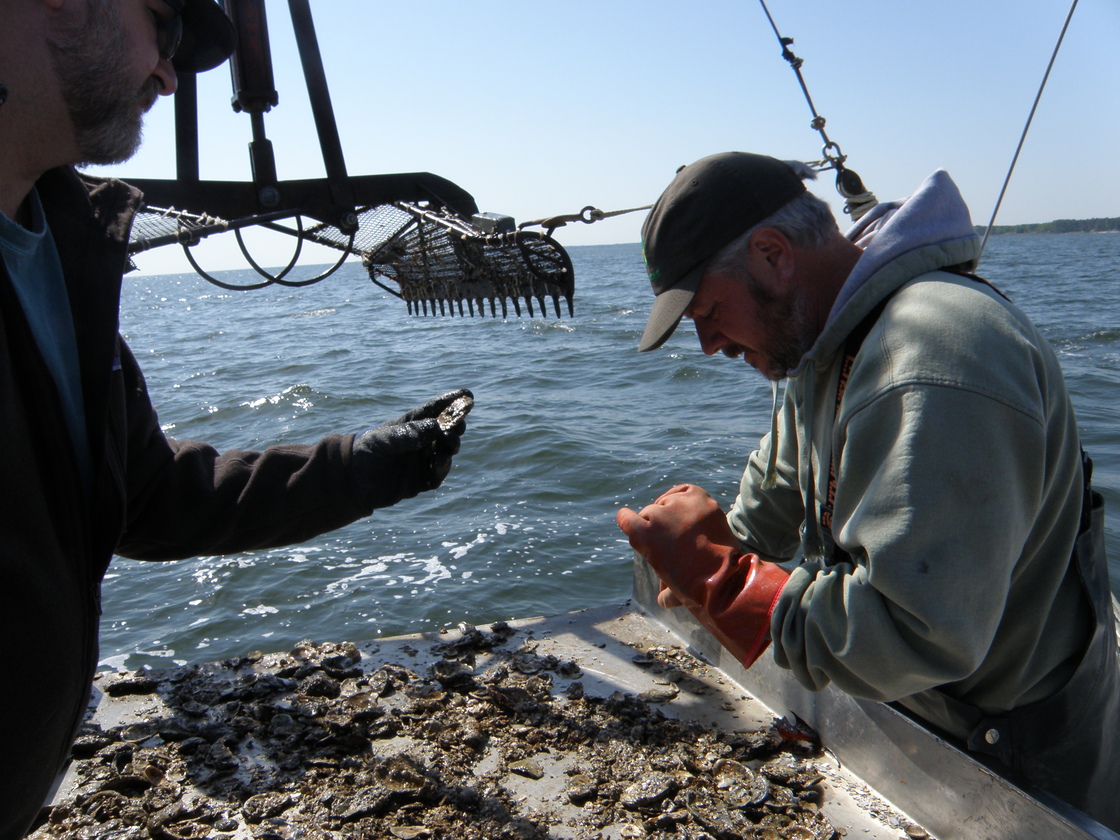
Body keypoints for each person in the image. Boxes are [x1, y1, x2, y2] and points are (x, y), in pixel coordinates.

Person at [0, 2, 472, 836]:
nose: (169, 73)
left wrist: (370, 462)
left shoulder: (61, 243)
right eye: (163, 25)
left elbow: (149, 494)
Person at [616, 151, 1120, 828]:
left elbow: (919, 633)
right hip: (920, 711)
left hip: (1024, 754)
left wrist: (725, 584)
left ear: (772, 254)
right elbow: (769, 503)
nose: (707, 343)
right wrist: (702, 557)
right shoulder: (817, 349)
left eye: (707, 309)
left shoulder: (936, 356)